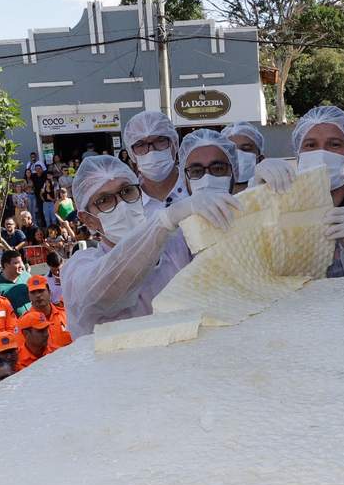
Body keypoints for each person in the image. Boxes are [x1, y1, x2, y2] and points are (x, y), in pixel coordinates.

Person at [64, 156, 238, 336]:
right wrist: (163, 221)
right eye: (104, 200)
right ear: (88, 220)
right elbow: (101, 290)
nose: (122, 204)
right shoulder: (79, 268)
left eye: (127, 191)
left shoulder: (176, 244)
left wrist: (262, 191)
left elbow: (234, 257)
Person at [254, 107, 344, 277]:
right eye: (311, 145)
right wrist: (256, 197)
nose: (321, 153)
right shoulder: (282, 206)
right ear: (299, 155)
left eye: (334, 144)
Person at [126, 110, 188, 207]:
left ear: (174, 144)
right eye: (140, 144)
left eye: (160, 140)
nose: (151, 151)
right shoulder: (128, 202)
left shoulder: (195, 188)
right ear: (132, 153)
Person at [26, 275, 70, 347]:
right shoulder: (24, 324)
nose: (38, 295)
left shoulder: (66, 315)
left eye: (41, 291)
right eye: (33, 292)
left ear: (49, 293)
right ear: (28, 296)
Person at [225, 122, 265, 186]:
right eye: (231, 150)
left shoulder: (272, 192)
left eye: (246, 149)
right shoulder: (211, 192)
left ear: (260, 159)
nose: (237, 154)